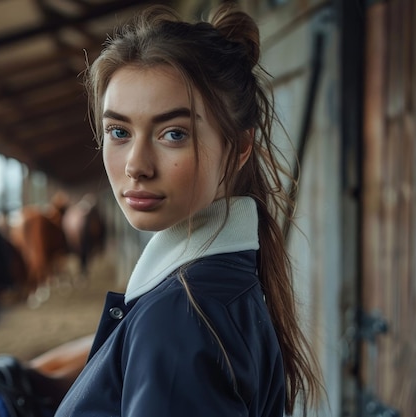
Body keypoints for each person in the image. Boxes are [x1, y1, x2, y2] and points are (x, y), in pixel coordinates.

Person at [54, 3, 323, 416]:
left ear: (241, 148)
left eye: (173, 133)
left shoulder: (181, 319)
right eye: (119, 131)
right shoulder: (220, 290)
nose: (136, 166)